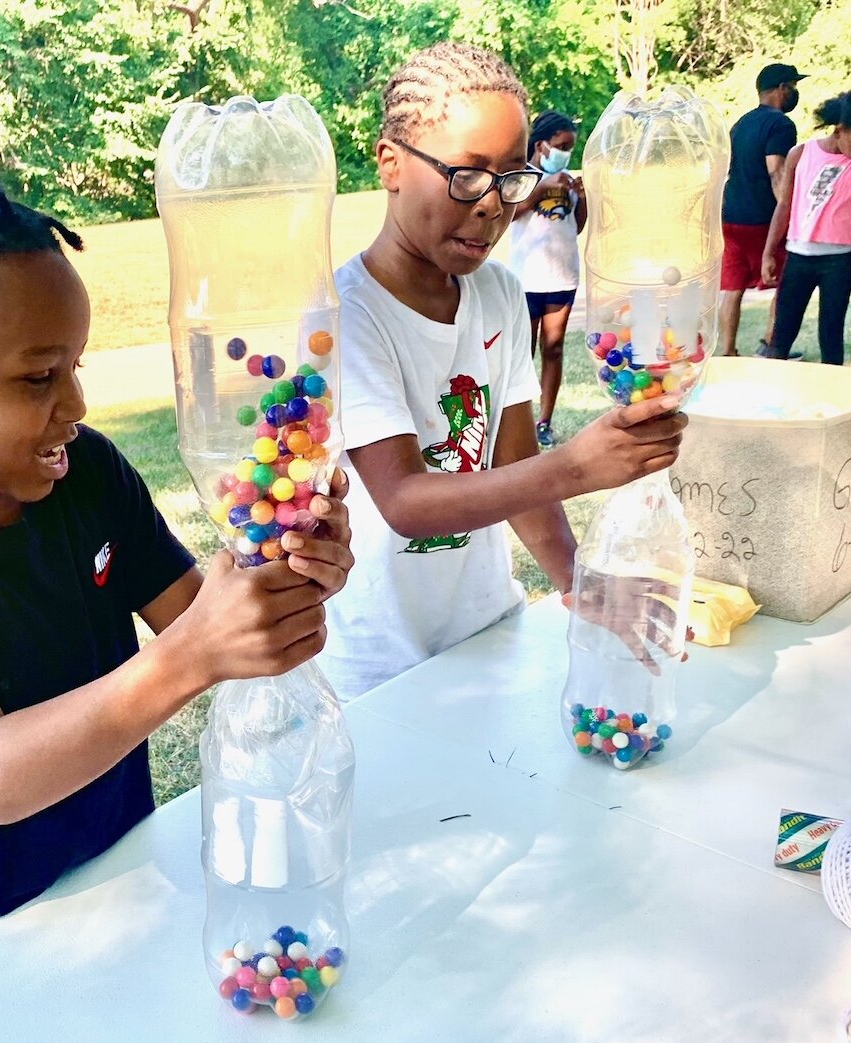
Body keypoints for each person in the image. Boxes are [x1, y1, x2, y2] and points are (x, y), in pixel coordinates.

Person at [0, 178, 353, 969]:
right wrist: (193, 654)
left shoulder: (85, 474)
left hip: (121, 889)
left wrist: (280, 569)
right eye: (38, 377)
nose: (76, 403)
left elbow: (199, 618)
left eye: (76, 366)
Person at [316, 42, 687, 704]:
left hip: (488, 633)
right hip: (380, 668)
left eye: (511, 179)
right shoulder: (347, 313)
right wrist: (576, 466)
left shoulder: (497, 294)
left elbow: (513, 458)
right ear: (391, 163)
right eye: (466, 175)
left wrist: (577, 580)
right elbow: (402, 501)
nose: (491, 205)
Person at [762, 76, 851, 365]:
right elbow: (784, 205)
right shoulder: (801, 154)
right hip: (799, 256)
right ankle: (770, 395)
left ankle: (836, 401)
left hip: (839, 261)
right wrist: (769, 252)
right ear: (840, 129)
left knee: (831, 335)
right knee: (782, 333)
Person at [508, 109, 586, 446]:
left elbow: (576, 226)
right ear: (541, 145)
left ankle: (544, 420)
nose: (566, 153)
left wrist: (581, 197)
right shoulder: (522, 178)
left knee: (553, 348)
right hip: (527, 279)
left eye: (570, 147)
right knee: (522, 353)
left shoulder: (567, 179)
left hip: (562, 276)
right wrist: (542, 187)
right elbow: (512, 212)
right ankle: (517, 420)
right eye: (562, 145)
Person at [719, 62, 806, 358]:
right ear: (782, 89)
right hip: (762, 219)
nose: (795, 93)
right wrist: (789, 212)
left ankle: (728, 351)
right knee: (783, 281)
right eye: (793, 87)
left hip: (730, 217)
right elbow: (776, 170)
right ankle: (771, 346)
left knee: (732, 287)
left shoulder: (739, 124)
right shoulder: (781, 124)